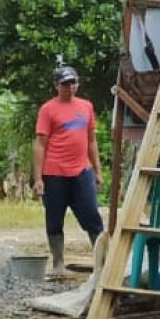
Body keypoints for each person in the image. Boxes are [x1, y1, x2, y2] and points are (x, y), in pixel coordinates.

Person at [33, 65, 105, 275]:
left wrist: (97, 171)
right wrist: (38, 178)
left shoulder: (86, 107)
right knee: (54, 218)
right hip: (55, 172)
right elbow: (40, 144)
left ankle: (103, 263)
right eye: (65, 83)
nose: (70, 87)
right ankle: (58, 263)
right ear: (56, 85)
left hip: (82, 171)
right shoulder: (48, 109)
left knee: (92, 216)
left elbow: (91, 140)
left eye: (73, 83)